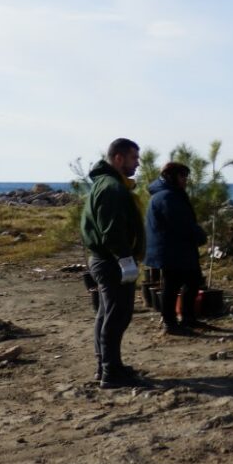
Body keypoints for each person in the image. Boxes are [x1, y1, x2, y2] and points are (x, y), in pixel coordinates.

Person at [81, 138, 146, 388]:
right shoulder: (111, 188)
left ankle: (107, 365)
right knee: (117, 315)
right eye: (133, 158)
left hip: (104, 259)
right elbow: (111, 231)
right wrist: (125, 259)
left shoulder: (107, 184)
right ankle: (110, 372)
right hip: (111, 261)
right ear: (117, 158)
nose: (137, 164)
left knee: (106, 313)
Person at [145, 162, 208, 335]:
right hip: (171, 249)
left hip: (179, 248)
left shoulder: (171, 194)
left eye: (186, 176)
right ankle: (170, 323)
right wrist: (199, 235)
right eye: (182, 176)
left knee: (192, 281)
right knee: (172, 286)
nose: (185, 180)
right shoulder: (166, 197)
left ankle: (188, 318)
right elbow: (181, 223)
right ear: (170, 176)